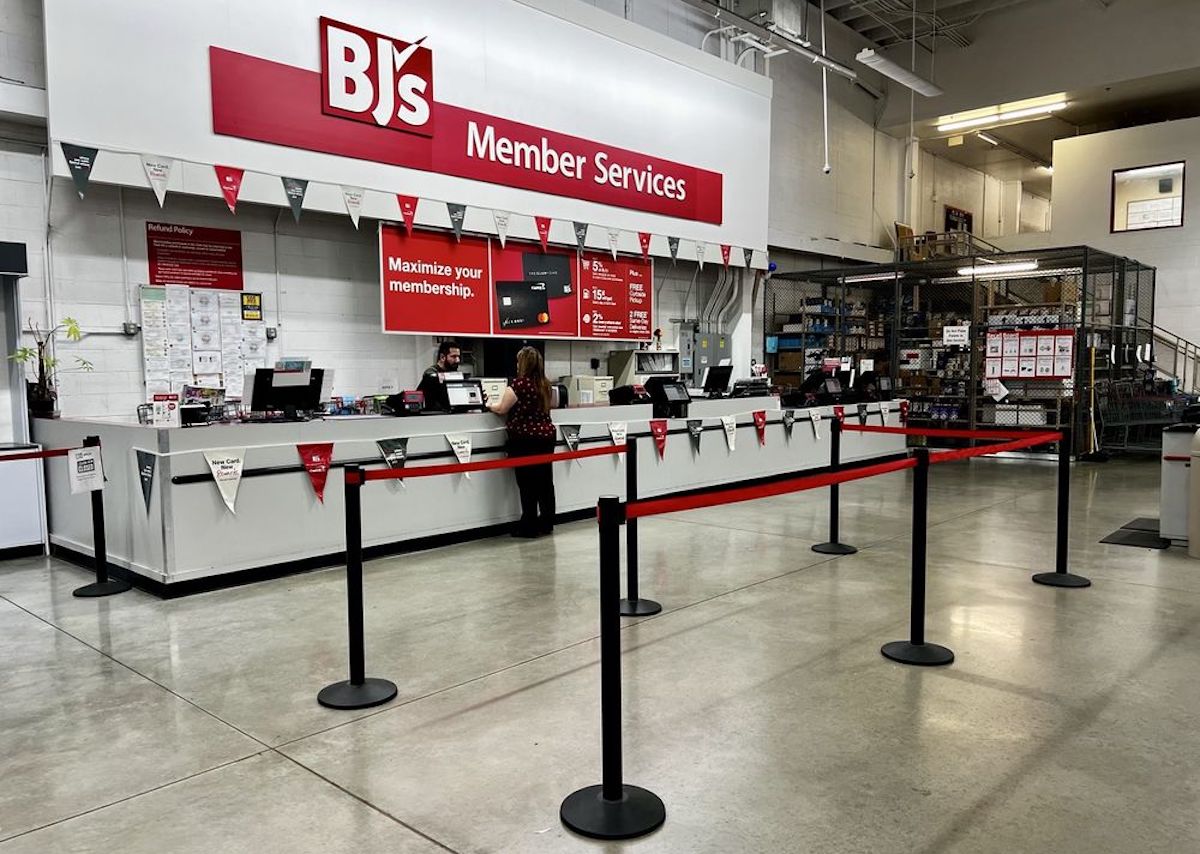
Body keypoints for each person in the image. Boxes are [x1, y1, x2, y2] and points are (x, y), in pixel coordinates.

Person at [487, 346, 557, 538]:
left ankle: (529, 525)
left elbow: (501, 408)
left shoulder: (519, 384)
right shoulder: (546, 384)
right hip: (546, 437)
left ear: (523, 363)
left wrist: (488, 404)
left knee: (527, 484)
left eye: (518, 361)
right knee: (544, 482)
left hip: (525, 440)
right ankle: (547, 521)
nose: (516, 365)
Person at [417, 341, 461, 411]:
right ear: (442, 357)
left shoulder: (454, 373)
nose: (457, 360)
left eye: (458, 356)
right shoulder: (430, 374)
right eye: (454, 356)